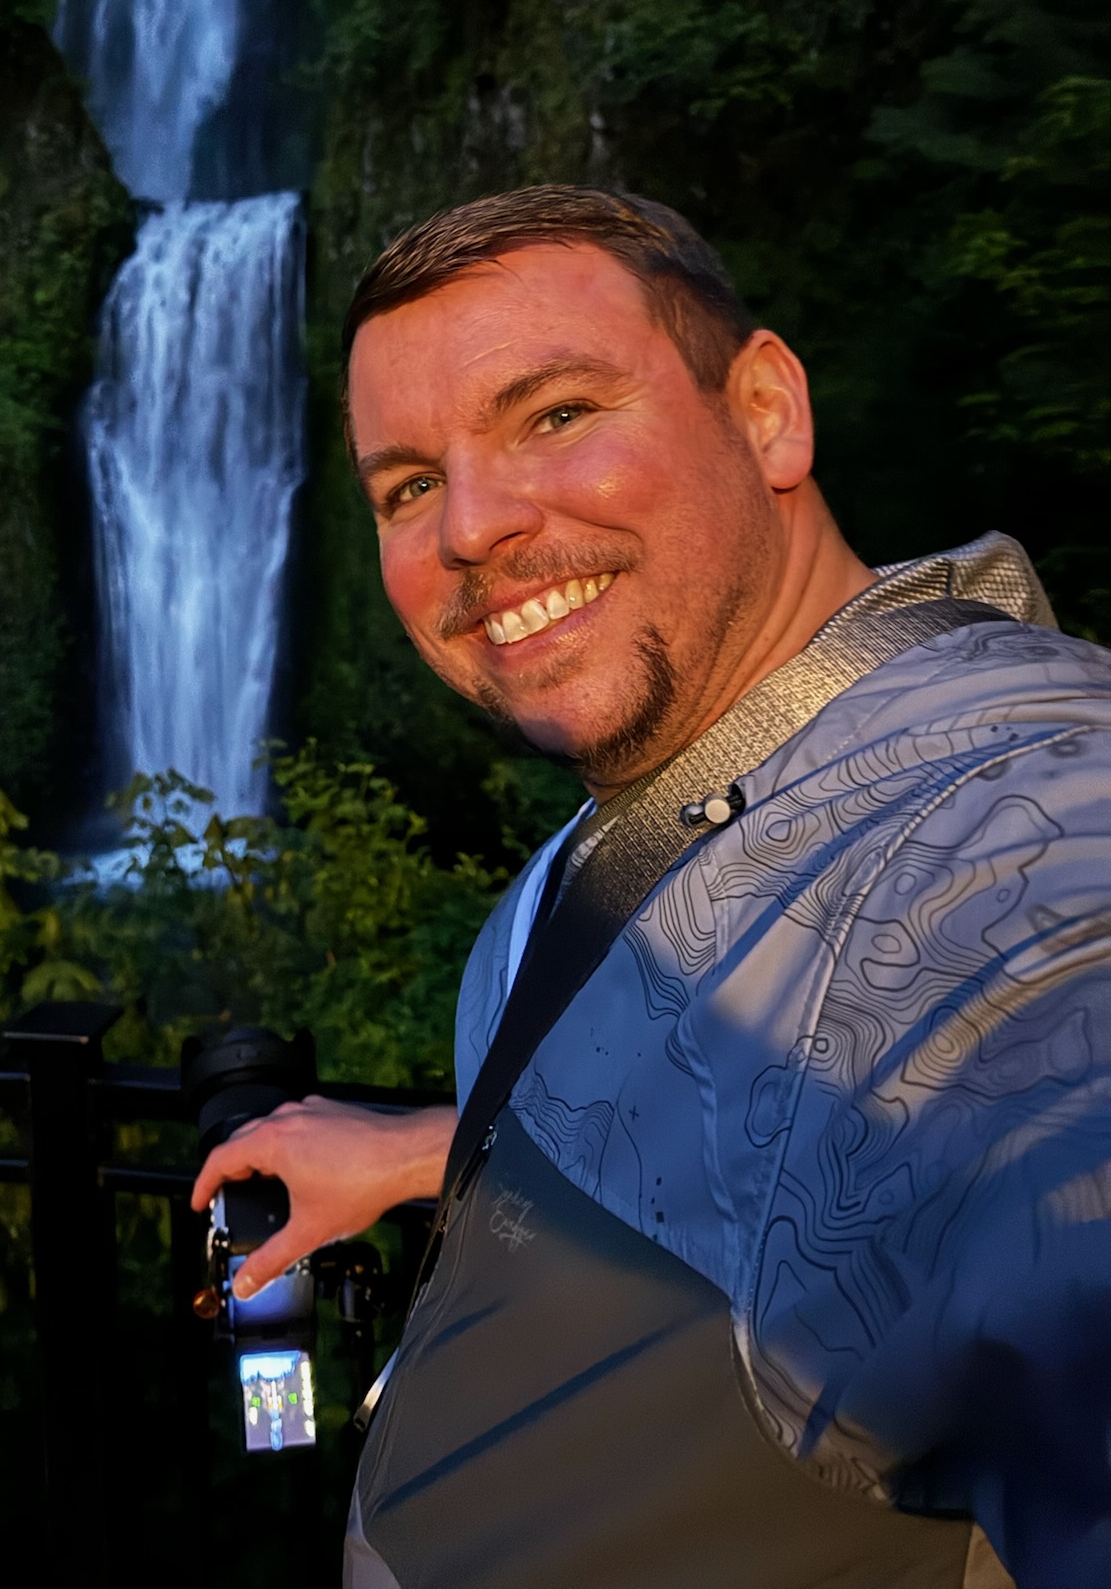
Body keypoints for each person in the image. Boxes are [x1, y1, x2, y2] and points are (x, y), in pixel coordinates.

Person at [191, 186, 1110, 1589]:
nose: (474, 528)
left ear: (766, 412)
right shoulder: (650, 826)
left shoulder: (999, 831)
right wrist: (430, 1150)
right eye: (408, 485)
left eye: (556, 414)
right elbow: (784, 1114)